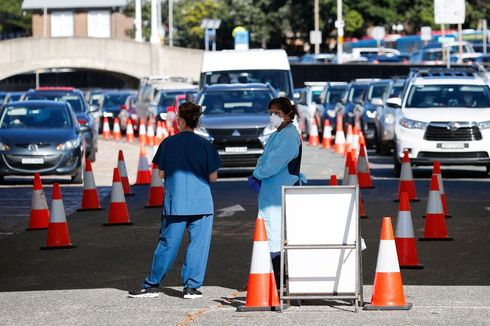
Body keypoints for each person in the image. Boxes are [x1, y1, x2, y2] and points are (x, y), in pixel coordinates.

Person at [129, 102, 222, 299]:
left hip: (176, 201)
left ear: (180, 120)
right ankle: (191, 288)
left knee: (167, 244)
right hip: (202, 202)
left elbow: (161, 173)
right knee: (198, 245)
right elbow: (213, 177)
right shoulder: (206, 145)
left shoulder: (168, 143)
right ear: (197, 121)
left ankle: (152, 284)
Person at [249, 97, 304, 287]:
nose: (273, 117)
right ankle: (276, 280)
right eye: (270, 113)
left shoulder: (289, 135)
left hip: (279, 194)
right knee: (271, 235)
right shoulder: (277, 134)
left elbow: (272, 164)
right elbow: (264, 159)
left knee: (276, 238)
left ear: (288, 115)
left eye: (277, 113)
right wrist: (259, 171)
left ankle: (281, 282)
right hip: (270, 192)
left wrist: (257, 173)